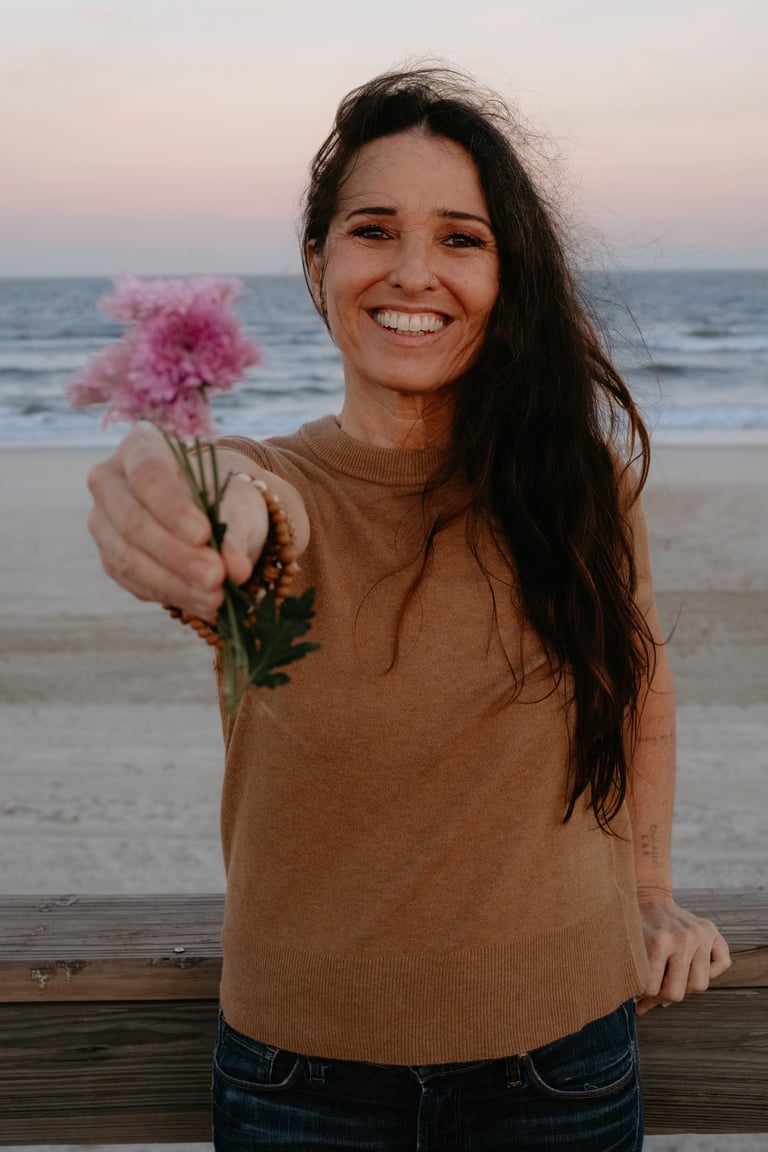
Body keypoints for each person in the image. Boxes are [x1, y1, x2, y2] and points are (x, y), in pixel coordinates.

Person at [87, 68, 731, 1151]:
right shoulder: (262, 477)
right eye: (375, 229)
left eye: (463, 239)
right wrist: (179, 511)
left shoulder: (576, 484)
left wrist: (652, 888)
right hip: (296, 1078)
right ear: (318, 264)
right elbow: (244, 510)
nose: (416, 272)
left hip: (560, 1064)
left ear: (506, 273)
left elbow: (641, 690)